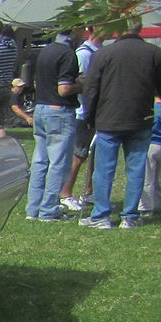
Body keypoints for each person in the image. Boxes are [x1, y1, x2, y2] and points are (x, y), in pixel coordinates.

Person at [79, 23, 161, 229]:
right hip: (141, 117)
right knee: (136, 169)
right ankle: (130, 216)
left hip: (108, 118)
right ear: (139, 28)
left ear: (118, 30)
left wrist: (89, 115)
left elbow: (91, 88)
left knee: (104, 170)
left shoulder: (104, 53)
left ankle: (101, 216)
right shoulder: (154, 52)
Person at [25, 30, 81, 221]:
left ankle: (33, 209)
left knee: (40, 161)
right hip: (59, 110)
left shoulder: (45, 51)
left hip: (40, 108)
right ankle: (49, 209)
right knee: (58, 163)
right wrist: (82, 84)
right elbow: (64, 89)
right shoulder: (67, 54)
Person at [59, 26, 105, 211]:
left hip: (96, 112)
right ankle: (65, 193)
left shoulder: (100, 52)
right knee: (78, 155)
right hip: (83, 112)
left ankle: (88, 193)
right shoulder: (84, 54)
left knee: (93, 155)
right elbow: (79, 83)